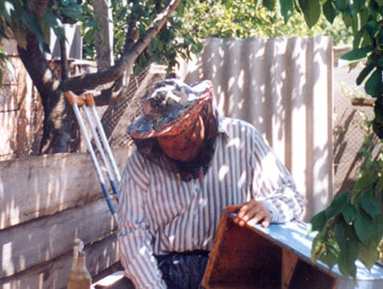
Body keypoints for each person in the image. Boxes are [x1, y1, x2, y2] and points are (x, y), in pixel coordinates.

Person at [116, 78, 305, 289]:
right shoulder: (141, 163)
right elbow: (132, 235)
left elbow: (293, 197)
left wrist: (269, 208)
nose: (179, 143)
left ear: (202, 115)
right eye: (167, 137)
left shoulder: (244, 138)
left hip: (234, 274)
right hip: (163, 273)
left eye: (185, 130)